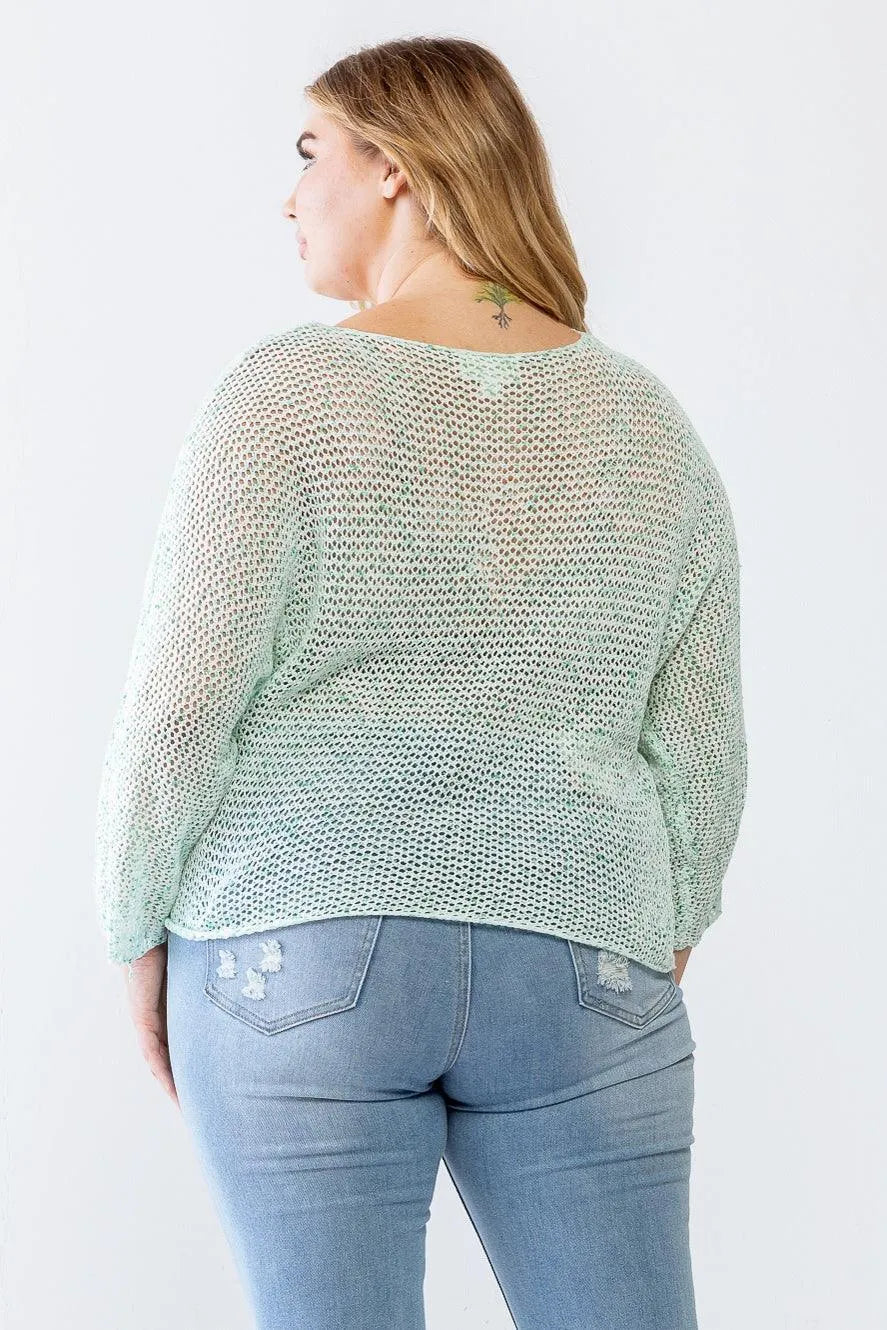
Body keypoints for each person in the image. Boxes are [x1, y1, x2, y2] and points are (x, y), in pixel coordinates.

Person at [93, 35, 748, 1330]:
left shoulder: (286, 394)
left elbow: (180, 706)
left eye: (311, 154)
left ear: (394, 166)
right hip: (582, 947)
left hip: (297, 934)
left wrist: (133, 927)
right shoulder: (649, 426)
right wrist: (651, 925)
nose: (289, 195)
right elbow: (702, 746)